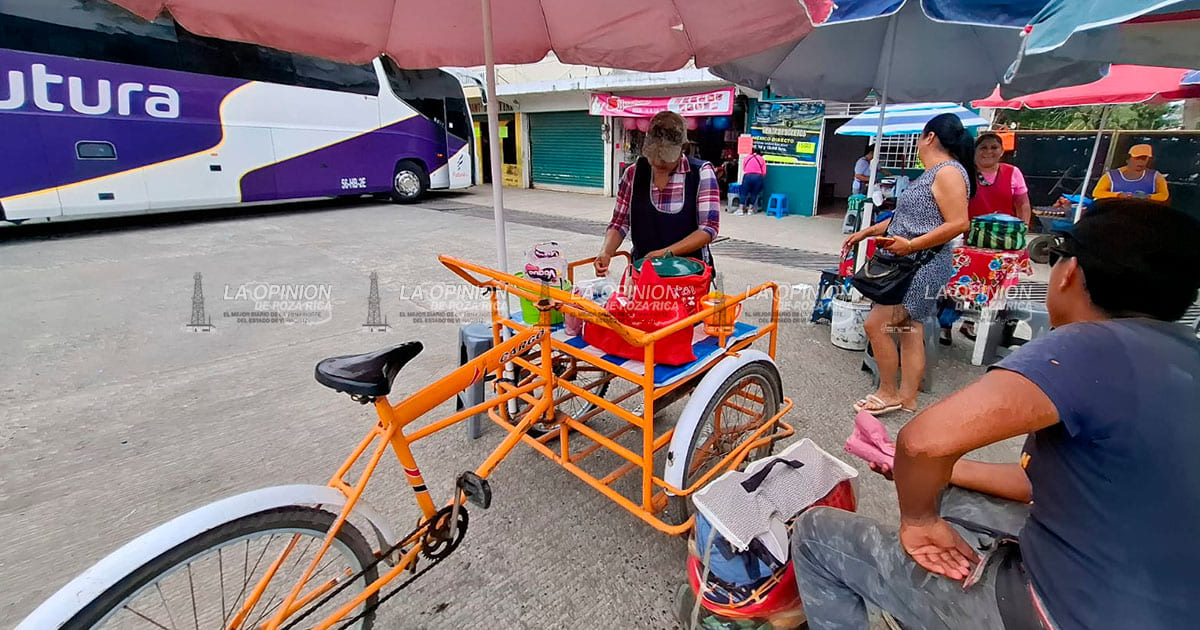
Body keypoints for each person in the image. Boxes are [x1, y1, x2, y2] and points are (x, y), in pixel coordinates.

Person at [792, 199, 1200, 630]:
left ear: (1070, 273)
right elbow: (1035, 483)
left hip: (1059, 613)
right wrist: (922, 467)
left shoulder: (1089, 345)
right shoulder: (1186, 354)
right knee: (947, 493)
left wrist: (919, 520)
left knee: (816, 534)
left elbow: (924, 441)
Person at [843, 113, 974, 415]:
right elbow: (908, 219)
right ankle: (908, 397)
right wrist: (867, 231)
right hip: (914, 261)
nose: (917, 141)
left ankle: (888, 392)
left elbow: (959, 223)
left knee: (876, 325)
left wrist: (911, 245)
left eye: (919, 136)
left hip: (922, 265)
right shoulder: (934, 172)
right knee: (909, 329)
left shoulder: (948, 172)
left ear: (929, 137)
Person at [595, 111, 719, 276]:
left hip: (688, 276)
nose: (658, 163)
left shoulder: (701, 173)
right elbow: (619, 222)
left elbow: (708, 229)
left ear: (683, 149)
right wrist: (606, 252)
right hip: (643, 273)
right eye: (653, 156)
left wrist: (666, 253)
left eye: (665, 158)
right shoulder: (633, 174)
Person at [942, 132, 1034, 343]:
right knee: (953, 283)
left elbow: (1023, 204)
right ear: (975, 151)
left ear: (1002, 151)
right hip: (968, 238)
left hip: (1003, 241)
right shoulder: (965, 173)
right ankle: (945, 325)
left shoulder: (1013, 173)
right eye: (983, 147)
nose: (989, 152)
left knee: (992, 284)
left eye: (994, 147)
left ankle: (971, 325)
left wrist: (1022, 230)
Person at [1091, 144, 1169, 202]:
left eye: (1144, 159)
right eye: (1137, 158)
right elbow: (1097, 193)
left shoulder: (1156, 176)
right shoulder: (1110, 176)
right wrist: (1119, 195)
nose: (1141, 162)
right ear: (1128, 159)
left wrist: (1148, 197)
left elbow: (1164, 196)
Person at [738, 148, 767, 215]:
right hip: (758, 177)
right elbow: (764, 172)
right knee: (754, 193)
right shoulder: (761, 159)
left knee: (743, 193)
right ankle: (750, 210)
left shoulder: (747, 158)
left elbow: (744, 168)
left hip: (747, 176)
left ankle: (740, 209)